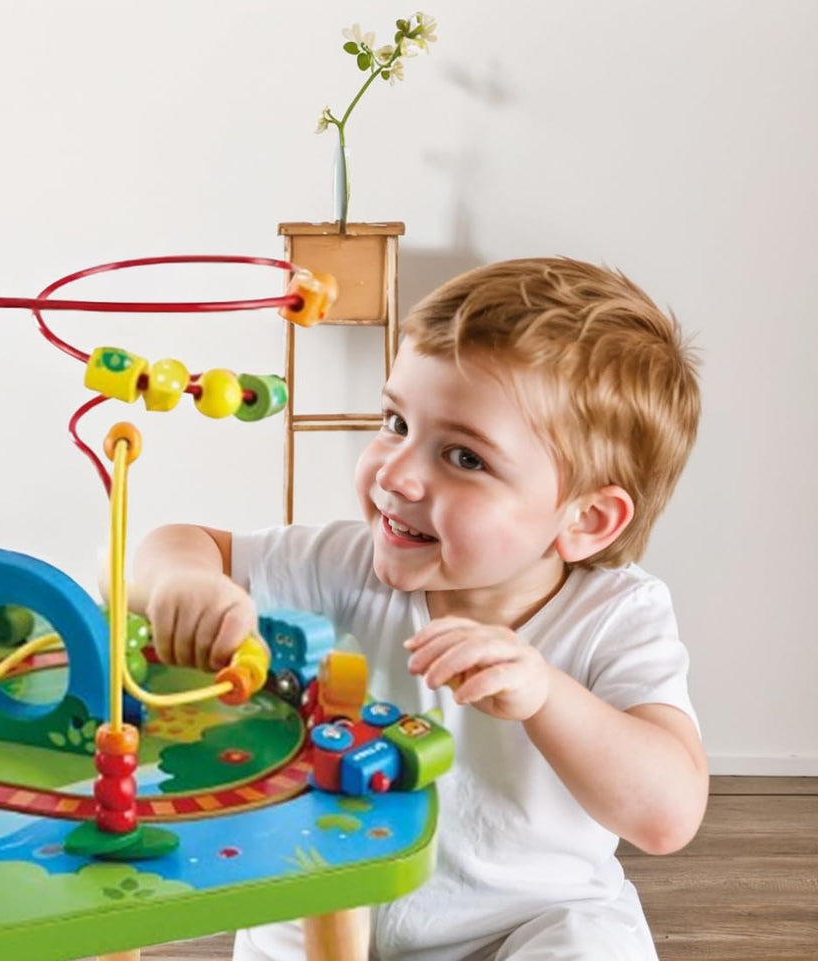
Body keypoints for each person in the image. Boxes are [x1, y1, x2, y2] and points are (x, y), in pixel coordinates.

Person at [130, 258, 708, 960]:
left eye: (463, 457)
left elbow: (666, 814)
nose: (396, 473)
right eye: (394, 421)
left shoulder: (616, 614)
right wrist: (185, 586)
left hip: (524, 924)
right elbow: (174, 544)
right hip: (328, 896)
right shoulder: (341, 563)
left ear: (585, 519)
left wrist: (545, 693)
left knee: (589, 946)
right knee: (280, 910)